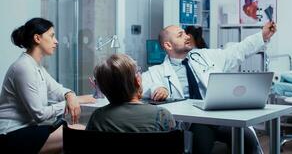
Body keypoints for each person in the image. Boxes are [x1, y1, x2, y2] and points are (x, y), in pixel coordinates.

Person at [142, 21, 276, 154]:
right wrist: (156, 88)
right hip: (195, 122)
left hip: (219, 116)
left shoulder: (205, 56)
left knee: (248, 139)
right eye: (180, 35)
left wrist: (262, 36)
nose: (187, 36)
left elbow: (237, 51)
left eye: (185, 33)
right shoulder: (157, 71)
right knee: (201, 144)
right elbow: (139, 85)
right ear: (168, 45)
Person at [0, 18, 95, 154]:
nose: (56, 41)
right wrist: (73, 102)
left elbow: (57, 89)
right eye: (51, 36)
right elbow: (39, 114)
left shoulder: (36, 66)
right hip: (11, 133)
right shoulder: (23, 68)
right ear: (37, 38)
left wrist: (70, 95)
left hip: (27, 129)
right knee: (78, 133)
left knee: (78, 129)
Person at [86, 54, 176, 132]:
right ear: (137, 81)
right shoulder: (162, 115)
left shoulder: (97, 117)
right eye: (138, 72)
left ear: (102, 89)